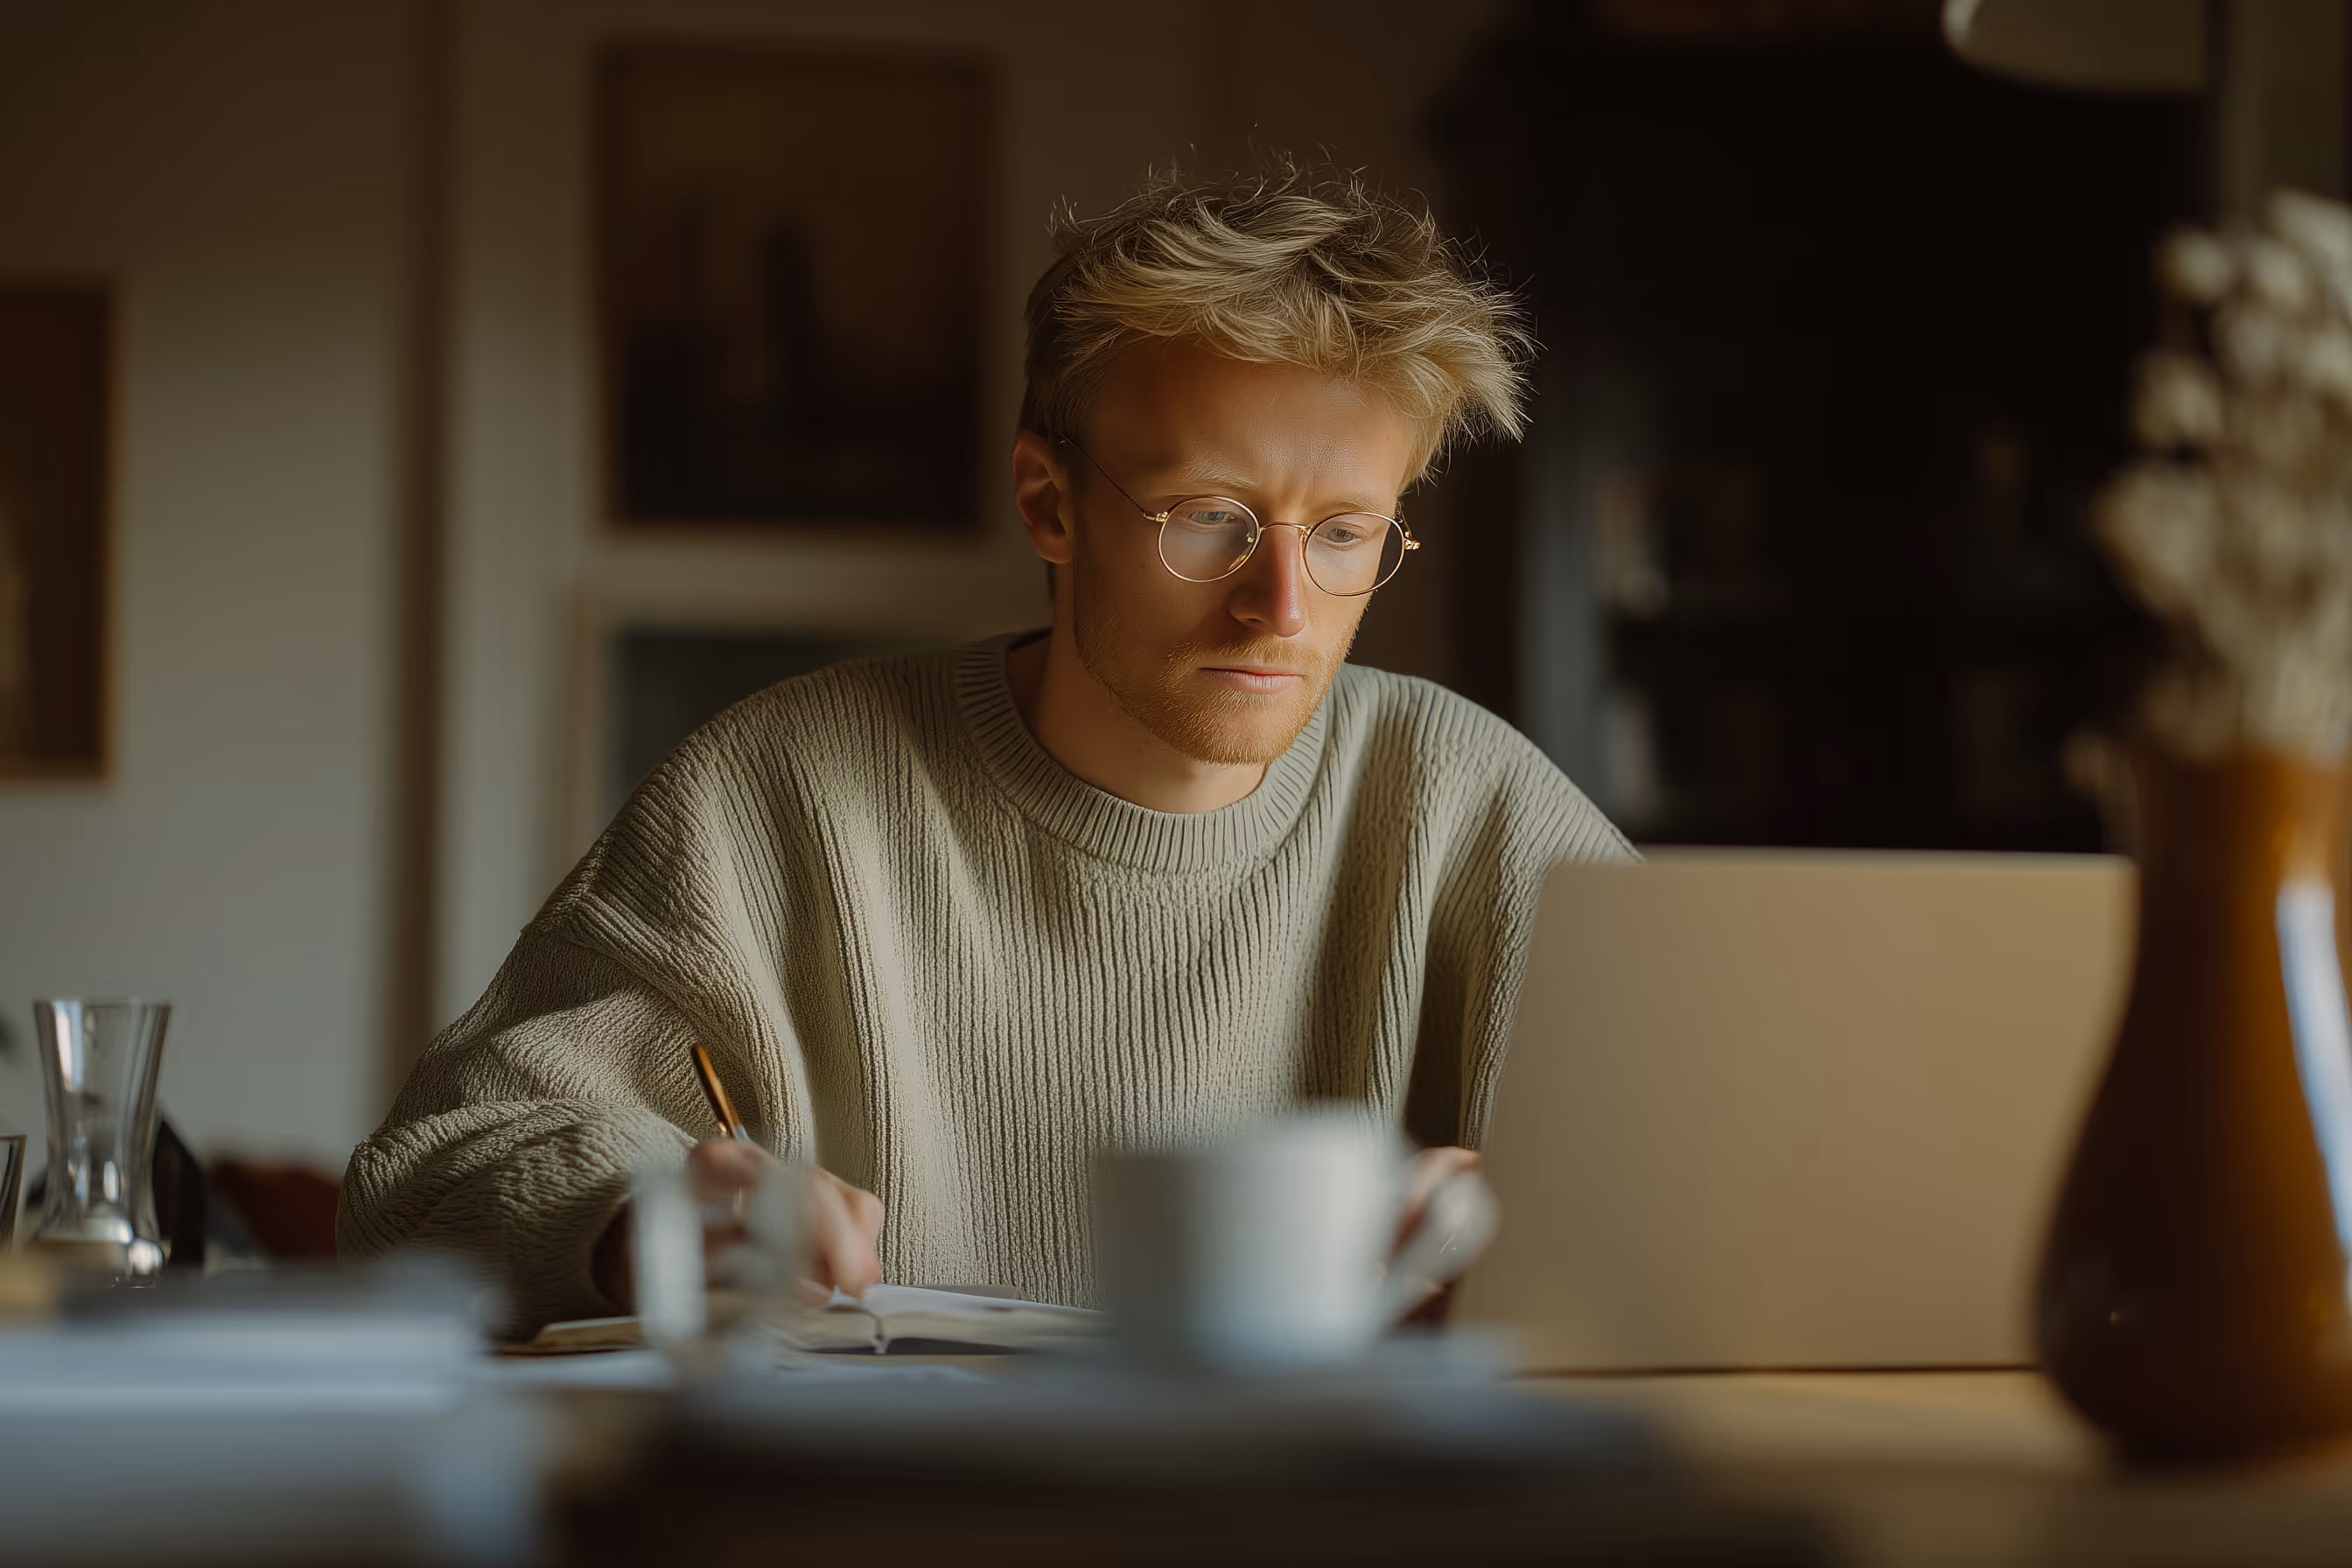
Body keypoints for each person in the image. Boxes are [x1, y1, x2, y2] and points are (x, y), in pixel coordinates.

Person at [339, 162, 1633, 1330]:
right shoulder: (777, 789)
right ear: (1046, 503)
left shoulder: (1473, 800)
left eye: (1346, 532)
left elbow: (1767, 1179)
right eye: (1210, 518)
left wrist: (1579, 1226)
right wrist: (639, 1219)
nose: (1282, 608)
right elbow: (421, 1179)